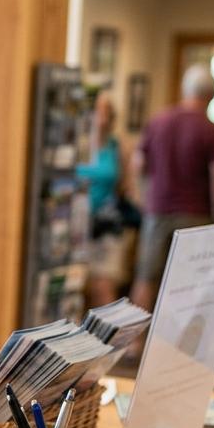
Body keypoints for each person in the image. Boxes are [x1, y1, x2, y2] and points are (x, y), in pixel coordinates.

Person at [128, 64, 214, 311]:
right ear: (210, 95)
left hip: (157, 210)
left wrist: (143, 200)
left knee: (145, 277)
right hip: (195, 215)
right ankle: (175, 343)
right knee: (187, 283)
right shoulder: (213, 131)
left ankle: (135, 344)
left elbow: (137, 164)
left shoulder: (158, 121)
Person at [77, 90, 133, 307]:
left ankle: (104, 338)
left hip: (106, 227)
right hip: (80, 226)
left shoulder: (117, 147)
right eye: (96, 111)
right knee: (79, 287)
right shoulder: (78, 146)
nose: (100, 117)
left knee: (104, 287)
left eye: (105, 112)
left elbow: (126, 185)